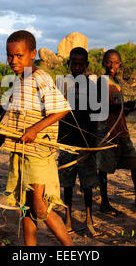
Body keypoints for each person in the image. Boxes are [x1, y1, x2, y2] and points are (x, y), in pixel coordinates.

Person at [3, 30, 73, 246]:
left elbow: (61, 109)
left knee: (41, 207)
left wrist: (34, 129)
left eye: (19, 55)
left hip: (37, 155)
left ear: (32, 53)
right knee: (26, 206)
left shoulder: (39, 77)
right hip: (22, 152)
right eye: (10, 55)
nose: (13, 60)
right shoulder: (19, 81)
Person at [96, 49, 136, 216]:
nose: (112, 65)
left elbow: (118, 109)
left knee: (135, 165)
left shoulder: (116, 82)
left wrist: (127, 109)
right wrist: (124, 107)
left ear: (120, 65)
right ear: (103, 63)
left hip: (122, 131)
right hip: (108, 132)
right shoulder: (101, 82)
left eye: (116, 62)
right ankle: (104, 202)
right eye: (109, 62)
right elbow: (101, 107)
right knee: (104, 168)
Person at [57, 47, 99, 236]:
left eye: (81, 64)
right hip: (66, 141)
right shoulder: (61, 85)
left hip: (86, 143)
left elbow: (96, 116)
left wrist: (93, 144)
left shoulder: (92, 86)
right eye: (74, 63)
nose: (77, 67)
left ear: (86, 65)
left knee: (88, 184)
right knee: (67, 183)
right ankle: (67, 219)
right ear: (69, 64)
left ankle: (89, 219)